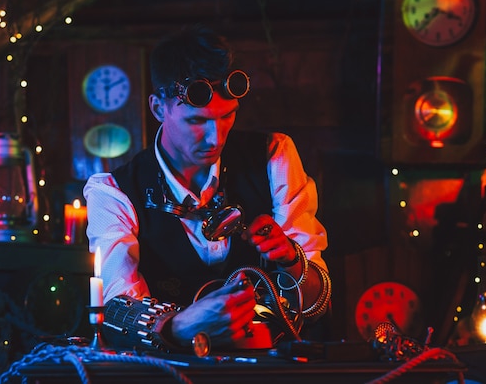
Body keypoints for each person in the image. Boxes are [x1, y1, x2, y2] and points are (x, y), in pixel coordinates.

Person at [83, 25, 330, 353]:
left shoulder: (274, 155)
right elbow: (116, 310)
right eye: (197, 122)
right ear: (158, 108)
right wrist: (182, 325)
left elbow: (317, 303)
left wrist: (290, 259)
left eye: (227, 116)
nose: (216, 138)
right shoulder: (113, 191)